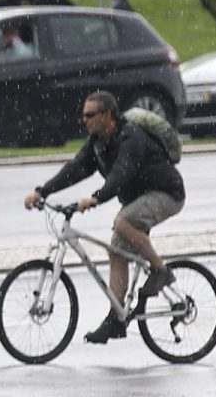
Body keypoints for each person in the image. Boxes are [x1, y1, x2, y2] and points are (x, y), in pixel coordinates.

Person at [22, 90, 185, 344]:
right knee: (117, 250)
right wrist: (42, 191)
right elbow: (75, 169)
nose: (84, 120)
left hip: (166, 193)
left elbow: (123, 172)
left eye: (90, 115)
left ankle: (161, 271)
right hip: (138, 199)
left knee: (123, 223)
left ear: (107, 115)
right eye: (84, 116)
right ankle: (116, 319)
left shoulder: (131, 136)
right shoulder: (98, 142)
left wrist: (97, 197)